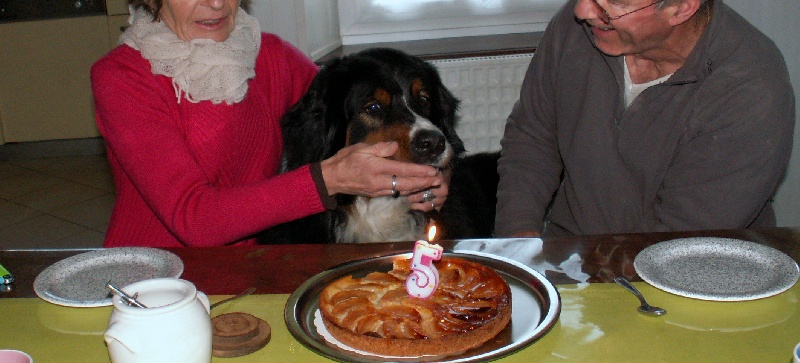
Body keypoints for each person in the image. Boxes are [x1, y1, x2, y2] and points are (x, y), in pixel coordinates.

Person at [91, 0, 448, 247]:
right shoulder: (122, 78)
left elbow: (350, 116)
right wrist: (328, 180)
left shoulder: (269, 55)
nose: (217, 4)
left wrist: (432, 179)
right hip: (157, 274)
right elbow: (193, 219)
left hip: (260, 258)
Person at [495, 0, 794, 237]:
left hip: (693, 277)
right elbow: (531, 138)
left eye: (614, 1)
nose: (582, 10)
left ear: (682, 7)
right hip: (575, 253)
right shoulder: (578, 29)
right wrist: (519, 241)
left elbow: (680, 240)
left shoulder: (751, 88)